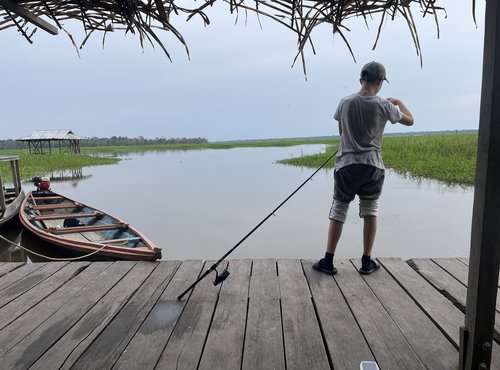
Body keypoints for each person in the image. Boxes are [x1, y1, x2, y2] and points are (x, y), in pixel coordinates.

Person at [313, 61, 414, 275]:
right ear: (380, 82)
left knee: (339, 209)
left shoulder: (345, 102)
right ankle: (366, 262)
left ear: (361, 80)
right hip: (373, 166)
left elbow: (342, 132)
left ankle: (328, 261)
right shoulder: (384, 105)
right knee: (370, 211)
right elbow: (410, 121)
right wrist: (398, 102)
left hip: (346, 165)